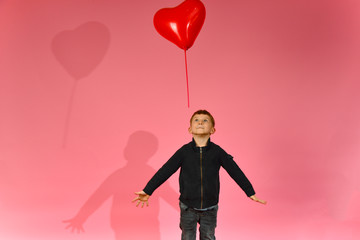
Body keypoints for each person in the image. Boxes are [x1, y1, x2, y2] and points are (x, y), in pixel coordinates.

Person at [133, 110, 266, 240]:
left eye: (205, 120)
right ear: (190, 129)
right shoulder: (183, 152)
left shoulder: (218, 152)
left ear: (212, 130)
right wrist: (148, 190)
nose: (200, 122)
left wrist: (249, 191)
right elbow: (165, 171)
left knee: (208, 236)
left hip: (210, 207)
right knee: (187, 237)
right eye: (196, 120)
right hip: (187, 207)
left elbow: (235, 171)